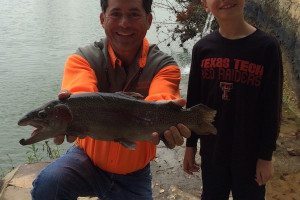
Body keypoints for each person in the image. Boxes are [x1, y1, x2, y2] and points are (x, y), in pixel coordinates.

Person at [31, 0, 191, 199]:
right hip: (87, 162)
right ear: (102, 18)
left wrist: (168, 120)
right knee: (48, 185)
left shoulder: (164, 66)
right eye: (115, 14)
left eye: (134, 14)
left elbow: (162, 96)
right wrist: (64, 120)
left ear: (148, 20)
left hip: (135, 174)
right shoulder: (83, 59)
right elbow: (80, 95)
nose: (124, 23)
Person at [183, 0, 283, 199]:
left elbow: (272, 107)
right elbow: (194, 101)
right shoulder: (202, 48)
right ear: (205, 4)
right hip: (212, 151)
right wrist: (190, 144)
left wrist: (266, 156)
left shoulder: (267, 48)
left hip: (250, 154)